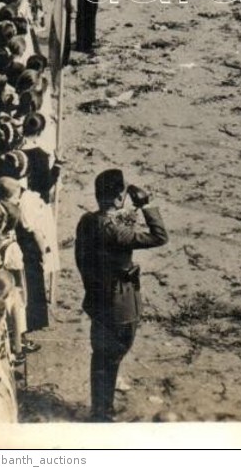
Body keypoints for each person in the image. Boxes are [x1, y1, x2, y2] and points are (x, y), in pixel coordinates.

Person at [75, 169, 168, 422]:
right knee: (115, 352)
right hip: (120, 303)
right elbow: (160, 236)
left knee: (101, 354)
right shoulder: (116, 232)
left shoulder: (87, 221)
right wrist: (147, 204)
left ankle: (100, 406)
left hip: (97, 298)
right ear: (118, 197)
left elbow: (88, 252)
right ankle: (102, 411)